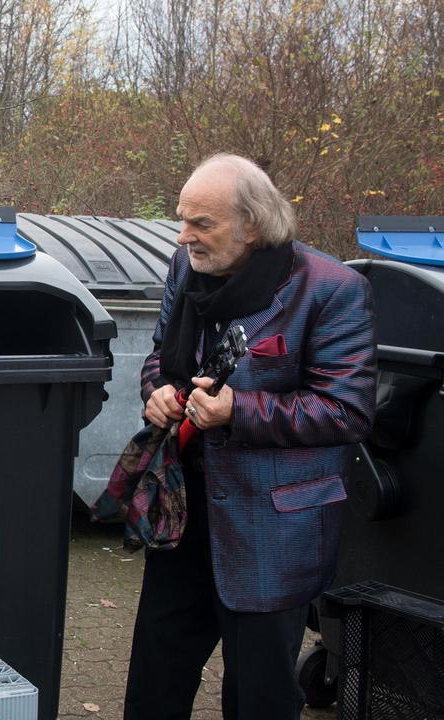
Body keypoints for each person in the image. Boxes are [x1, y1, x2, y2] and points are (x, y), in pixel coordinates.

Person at [124, 154, 376, 719]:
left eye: (202, 223)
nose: (185, 235)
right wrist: (158, 392)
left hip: (271, 530)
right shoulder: (185, 268)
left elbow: (345, 411)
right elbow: (162, 357)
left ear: (254, 226)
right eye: (183, 219)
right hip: (182, 513)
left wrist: (239, 410)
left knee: (259, 698)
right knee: (154, 684)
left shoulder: (332, 290)